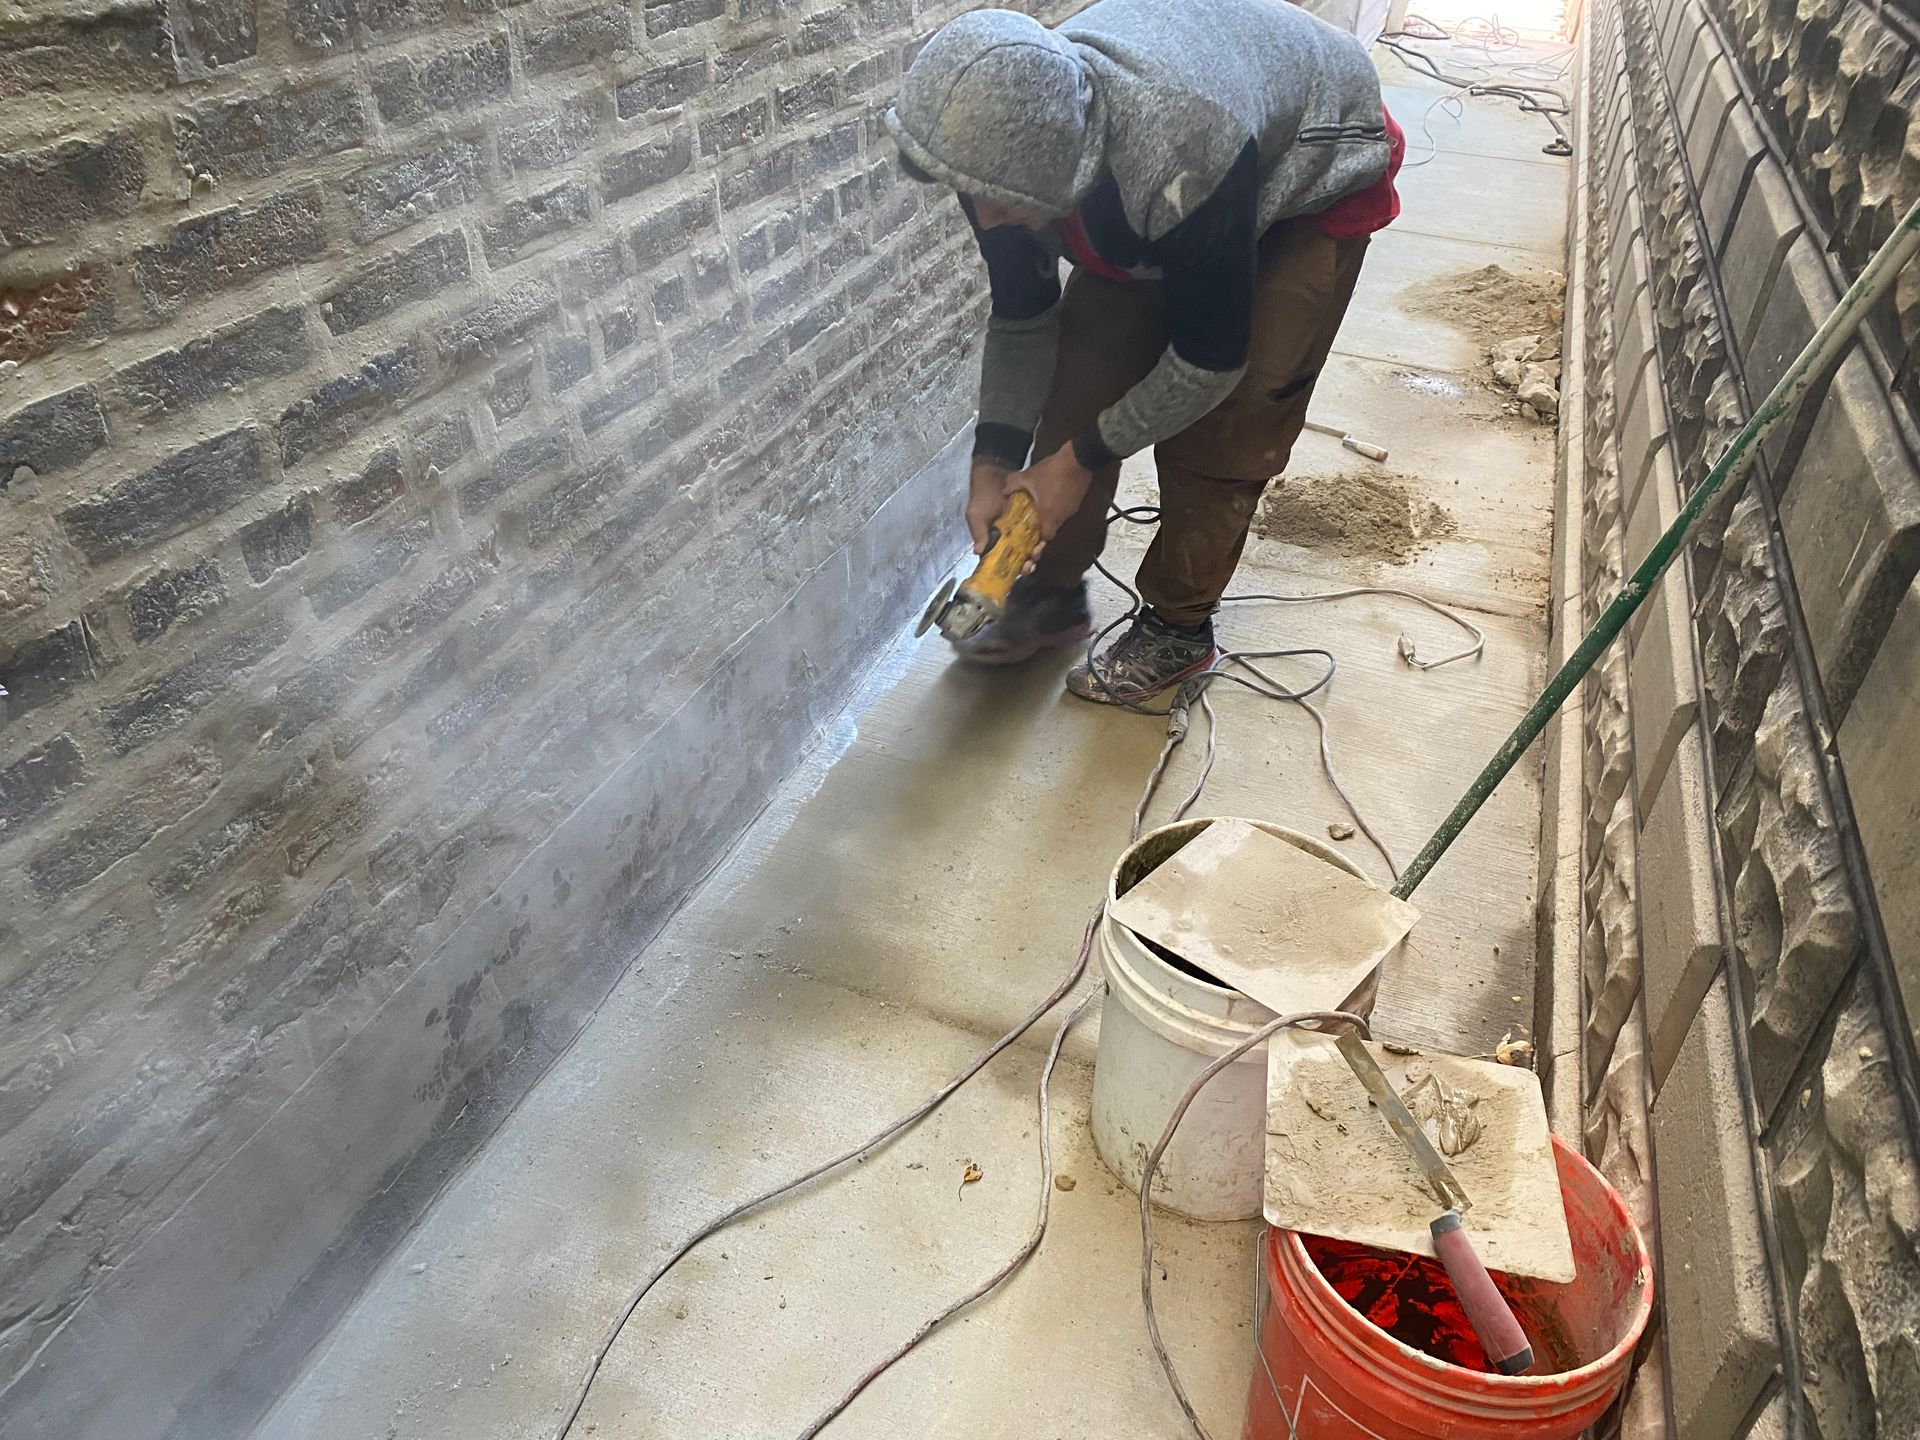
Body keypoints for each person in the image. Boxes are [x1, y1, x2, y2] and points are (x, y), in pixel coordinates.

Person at [882, 0, 1404, 704]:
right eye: (972, 195)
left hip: (1309, 168)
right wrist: (993, 463)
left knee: (1231, 423)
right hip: (1186, 166)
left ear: (1063, 163)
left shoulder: (1180, 146)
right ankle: (1051, 595)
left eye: (1001, 202)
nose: (987, 219)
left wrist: (1078, 463)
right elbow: (1023, 314)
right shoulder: (1002, 141)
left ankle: (1178, 627)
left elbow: (1209, 360)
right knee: (1081, 384)